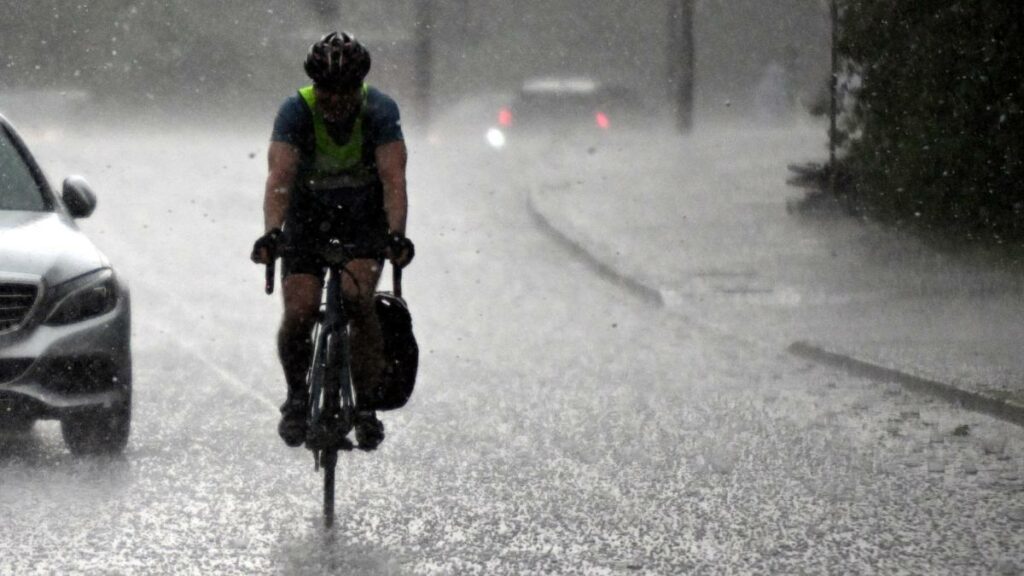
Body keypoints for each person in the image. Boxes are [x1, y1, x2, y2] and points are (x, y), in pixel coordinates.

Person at [251, 31, 413, 450]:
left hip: (363, 219)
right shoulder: (295, 111)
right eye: (326, 90)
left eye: (345, 91)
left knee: (357, 299)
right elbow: (279, 179)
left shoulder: (379, 110)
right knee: (299, 311)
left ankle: (364, 406)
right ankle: (297, 397)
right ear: (315, 86)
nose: (335, 100)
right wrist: (272, 232)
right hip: (307, 219)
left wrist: (396, 235)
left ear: (358, 87)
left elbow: (393, 179)